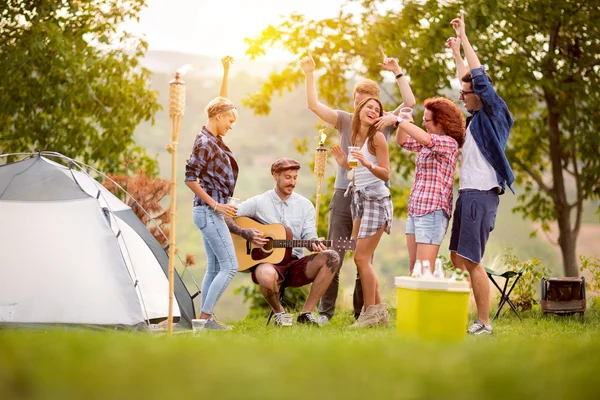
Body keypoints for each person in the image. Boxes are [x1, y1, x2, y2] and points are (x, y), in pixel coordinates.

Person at [300, 49, 415, 324]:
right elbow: (314, 105)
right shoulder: (343, 119)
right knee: (334, 253)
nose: (362, 107)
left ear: (375, 105)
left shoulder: (382, 125)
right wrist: (309, 74)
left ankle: (363, 313)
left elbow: (410, 101)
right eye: (358, 101)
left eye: (367, 103)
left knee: (363, 258)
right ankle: (325, 313)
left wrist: (397, 71)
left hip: (368, 199)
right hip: (343, 195)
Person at [446, 14, 515, 335]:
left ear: (482, 94)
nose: (461, 96)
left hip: (480, 195)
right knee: (458, 258)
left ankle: (484, 323)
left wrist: (464, 36)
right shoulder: (475, 119)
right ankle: (464, 311)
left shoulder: (494, 112)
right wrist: (456, 55)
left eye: (466, 92)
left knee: (471, 261)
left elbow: (478, 78)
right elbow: (468, 80)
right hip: (467, 195)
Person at [226, 158, 341, 327]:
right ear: (275, 175)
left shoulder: (305, 205)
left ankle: (306, 313)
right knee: (266, 275)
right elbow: (226, 216)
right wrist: (245, 233)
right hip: (268, 264)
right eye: (288, 177)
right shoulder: (258, 202)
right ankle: (280, 314)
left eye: (295, 177)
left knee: (332, 257)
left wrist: (314, 242)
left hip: (295, 263)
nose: (292, 182)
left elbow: (309, 235)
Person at [184, 57, 239, 331]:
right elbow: (190, 178)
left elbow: (222, 102)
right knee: (230, 266)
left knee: (215, 268)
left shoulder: (213, 135)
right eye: (230, 120)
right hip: (208, 212)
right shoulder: (205, 142)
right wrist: (217, 205)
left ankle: (202, 320)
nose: (231, 124)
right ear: (217, 118)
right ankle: (205, 322)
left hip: (207, 212)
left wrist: (226, 71)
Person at [331, 97, 392, 328]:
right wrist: (345, 163)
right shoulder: (356, 136)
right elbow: (356, 170)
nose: (374, 111)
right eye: (370, 107)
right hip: (359, 198)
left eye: (377, 109)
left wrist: (366, 163)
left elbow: (385, 174)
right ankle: (380, 314)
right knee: (360, 257)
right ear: (359, 110)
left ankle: (368, 314)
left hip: (376, 200)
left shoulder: (377, 138)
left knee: (361, 258)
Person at [396, 97, 465, 272]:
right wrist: (403, 122)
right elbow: (403, 141)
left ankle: (428, 299)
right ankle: (414, 301)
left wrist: (397, 121)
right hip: (415, 209)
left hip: (432, 212)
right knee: (414, 268)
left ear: (440, 122)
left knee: (424, 270)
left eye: (426, 120)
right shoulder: (426, 143)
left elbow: (428, 140)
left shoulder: (449, 143)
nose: (424, 123)